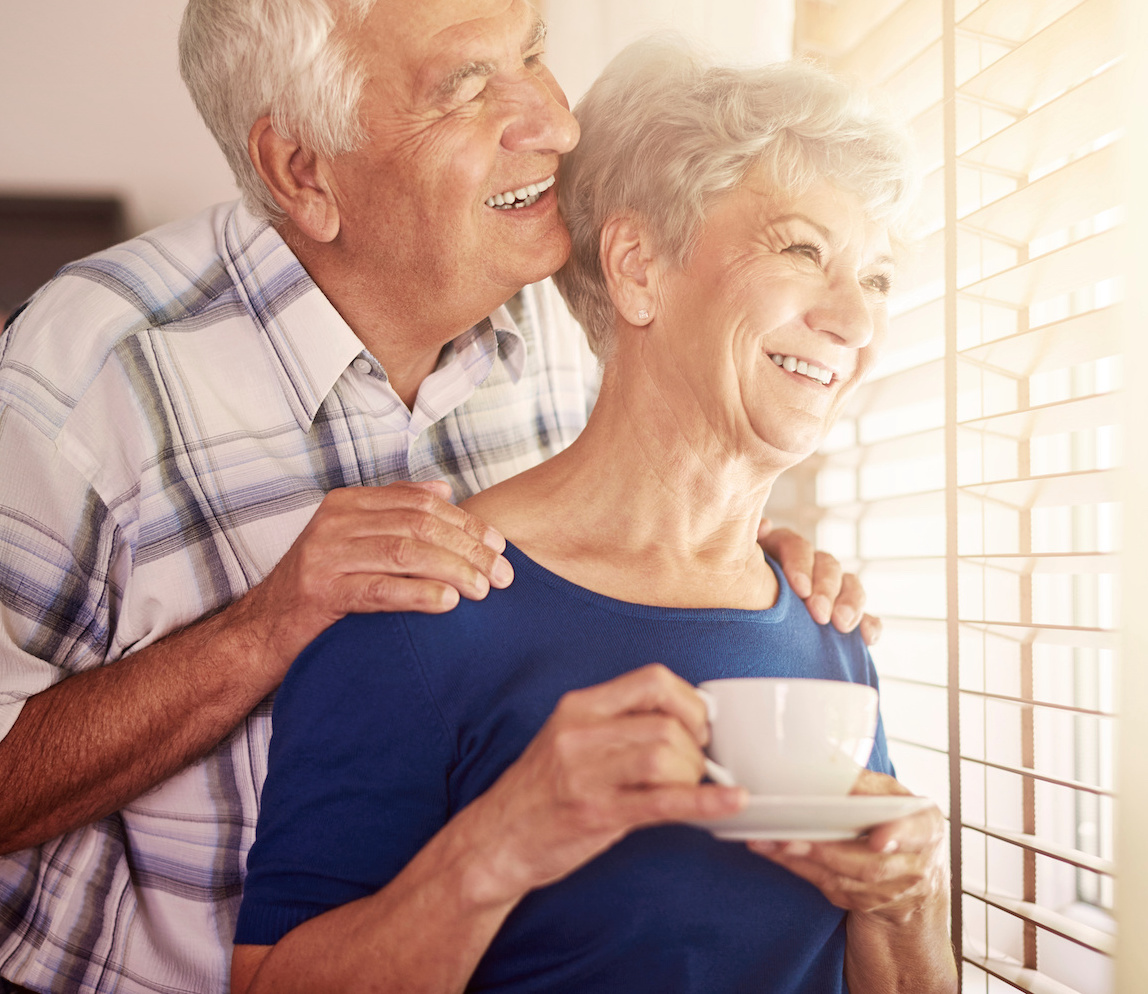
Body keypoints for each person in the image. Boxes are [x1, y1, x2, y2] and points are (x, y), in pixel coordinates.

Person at [0, 2, 869, 993]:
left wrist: (734, 558)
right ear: (301, 171)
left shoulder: (554, 320)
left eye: (533, 56)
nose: (552, 120)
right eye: (464, 87)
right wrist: (260, 630)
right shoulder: (80, 384)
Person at [231, 36, 957, 994]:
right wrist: (501, 844)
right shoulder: (424, 609)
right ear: (638, 267)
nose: (855, 323)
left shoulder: (827, 633)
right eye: (802, 250)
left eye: (875, 279)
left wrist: (907, 905)